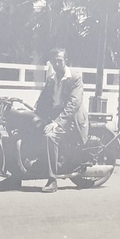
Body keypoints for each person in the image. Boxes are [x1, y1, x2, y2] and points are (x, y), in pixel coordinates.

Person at [34, 48, 89, 193]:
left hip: (71, 119)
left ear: (66, 61)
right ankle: (16, 176)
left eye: (60, 61)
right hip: (55, 116)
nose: (57, 64)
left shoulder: (75, 78)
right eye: (54, 61)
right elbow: (43, 100)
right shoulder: (51, 78)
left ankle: (52, 180)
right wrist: (35, 114)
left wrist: (57, 123)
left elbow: (73, 104)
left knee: (50, 136)